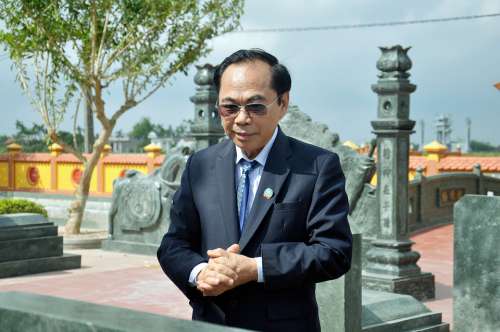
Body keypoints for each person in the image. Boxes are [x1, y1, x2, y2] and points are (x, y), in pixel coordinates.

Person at [157, 49, 352, 331]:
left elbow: (333, 252)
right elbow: (173, 244)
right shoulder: (200, 165)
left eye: (255, 106)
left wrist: (256, 268)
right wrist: (201, 273)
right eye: (229, 107)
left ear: (283, 103)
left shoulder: (317, 166)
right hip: (213, 322)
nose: (241, 119)